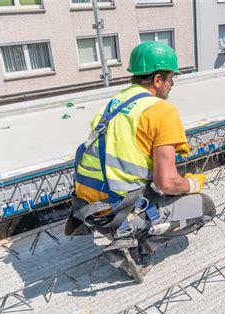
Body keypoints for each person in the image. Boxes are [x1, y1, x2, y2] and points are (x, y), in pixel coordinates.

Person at [65, 41, 216, 283]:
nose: (172, 83)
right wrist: (192, 184)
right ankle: (132, 239)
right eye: (170, 77)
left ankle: (129, 226)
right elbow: (166, 182)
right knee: (204, 207)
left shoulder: (114, 103)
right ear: (158, 80)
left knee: (157, 186)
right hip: (113, 211)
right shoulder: (162, 111)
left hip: (85, 205)